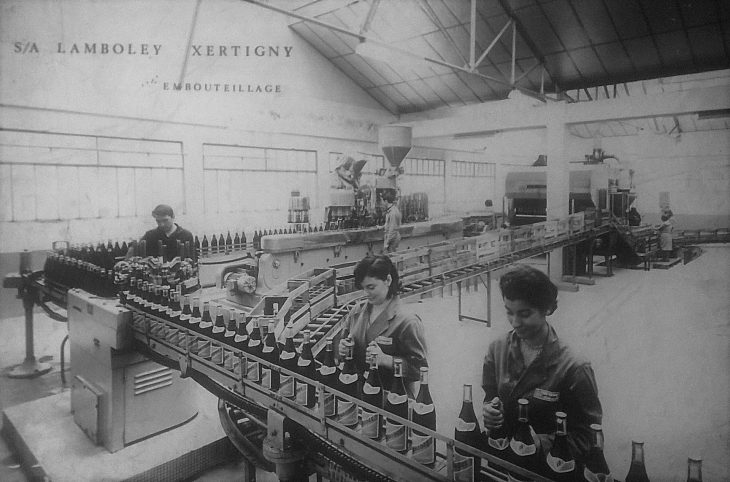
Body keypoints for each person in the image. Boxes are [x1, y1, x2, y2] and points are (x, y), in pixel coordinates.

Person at [482, 265, 602, 462]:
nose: (515, 322)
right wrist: (490, 411)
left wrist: (540, 444)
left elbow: (588, 436)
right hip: (503, 455)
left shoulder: (574, 367)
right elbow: (491, 395)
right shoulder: (497, 349)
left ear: (547, 308)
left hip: (548, 466)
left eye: (525, 314)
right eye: (509, 312)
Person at [338, 255, 427, 398]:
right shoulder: (357, 311)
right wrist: (343, 349)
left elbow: (419, 369)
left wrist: (386, 359)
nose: (366, 293)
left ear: (388, 280)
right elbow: (345, 344)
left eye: (371, 287)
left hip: (392, 400)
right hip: (358, 393)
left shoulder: (407, 322)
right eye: (363, 287)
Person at [129, 204, 195, 261]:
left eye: (165, 220)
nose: (161, 224)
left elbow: (193, 260)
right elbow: (135, 252)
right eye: (158, 221)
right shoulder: (150, 235)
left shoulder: (186, 235)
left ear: (173, 217)